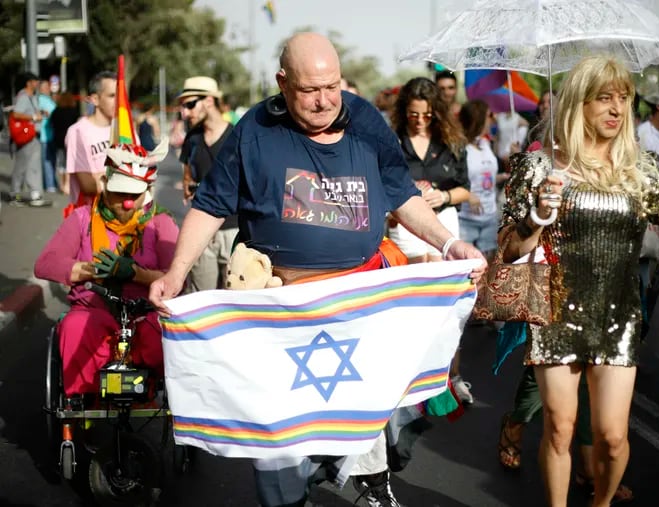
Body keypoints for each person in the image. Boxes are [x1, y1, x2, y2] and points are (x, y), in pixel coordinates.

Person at [148, 32, 485, 507]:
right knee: (279, 432)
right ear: (283, 83)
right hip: (279, 311)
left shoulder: (364, 120)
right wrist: (176, 271)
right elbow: (210, 205)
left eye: (332, 86)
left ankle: (372, 486)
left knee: (364, 415)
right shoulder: (254, 129)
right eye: (310, 90)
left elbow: (402, 194)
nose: (325, 100)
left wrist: (449, 243)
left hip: (357, 306)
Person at [500, 55, 659, 507]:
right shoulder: (540, 168)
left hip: (617, 318)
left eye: (624, 98)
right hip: (555, 315)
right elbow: (508, 249)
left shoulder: (639, 169)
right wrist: (537, 217)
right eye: (605, 97)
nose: (617, 108)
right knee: (560, 428)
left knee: (613, 438)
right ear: (579, 103)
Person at [34, 141, 178, 396]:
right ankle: (84, 400)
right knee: (75, 326)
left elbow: (177, 278)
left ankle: (147, 393)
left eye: (134, 195)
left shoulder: (161, 222)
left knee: (164, 331)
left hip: (143, 314)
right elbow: (45, 264)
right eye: (120, 194)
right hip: (93, 312)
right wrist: (92, 270)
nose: (127, 203)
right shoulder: (82, 218)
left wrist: (136, 273)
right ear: (106, 186)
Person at [389, 76, 473, 404]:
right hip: (403, 226)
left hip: (444, 223)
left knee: (446, 305)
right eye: (413, 114)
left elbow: (466, 189)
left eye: (426, 114)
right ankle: (411, 382)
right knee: (410, 303)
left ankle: (452, 378)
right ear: (403, 112)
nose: (420, 121)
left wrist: (444, 196)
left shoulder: (451, 141)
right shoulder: (392, 141)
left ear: (436, 111)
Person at [176, 76, 237, 292]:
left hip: (234, 231)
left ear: (209, 101)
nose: (186, 112)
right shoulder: (192, 138)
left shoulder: (236, 136)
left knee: (234, 300)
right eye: (183, 106)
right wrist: (189, 185)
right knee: (202, 298)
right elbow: (187, 175)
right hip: (201, 233)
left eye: (190, 104)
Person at [65, 71, 117, 211]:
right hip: (89, 215)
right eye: (112, 95)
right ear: (95, 99)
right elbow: (87, 185)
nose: (119, 101)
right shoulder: (78, 132)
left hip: (124, 217)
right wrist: (123, 180)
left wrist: (100, 176)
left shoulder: (127, 130)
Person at [458, 99, 500, 261]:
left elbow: (485, 176)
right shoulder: (460, 148)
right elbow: (451, 179)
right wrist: (467, 195)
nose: (493, 119)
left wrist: (502, 176)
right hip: (466, 220)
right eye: (490, 115)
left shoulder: (485, 143)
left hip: (490, 216)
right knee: (468, 267)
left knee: (489, 266)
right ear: (479, 118)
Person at [9, 71, 51, 207]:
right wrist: (33, 117)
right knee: (21, 168)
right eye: (35, 81)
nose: (37, 83)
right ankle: (15, 195)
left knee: (34, 166)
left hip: (33, 135)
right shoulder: (23, 97)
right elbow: (16, 114)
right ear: (29, 83)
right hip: (25, 136)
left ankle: (35, 194)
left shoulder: (32, 97)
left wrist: (40, 114)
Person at [49, 91, 80, 196]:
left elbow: (52, 124)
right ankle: (68, 184)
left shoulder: (56, 111)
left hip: (58, 140)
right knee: (69, 162)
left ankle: (62, 184)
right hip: (71, 140)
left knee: (61, 163)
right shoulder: (73, 111)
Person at [38, 79, 58, 193]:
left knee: (53, 160)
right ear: (40, 89)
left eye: (47, 86)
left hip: (52, 134)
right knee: (47, 161)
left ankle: (52, 182)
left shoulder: (49, 99)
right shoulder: (40, 99)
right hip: (44, 135)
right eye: (44, 87)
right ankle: (49, 184)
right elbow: (41, 112)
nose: (47, 89)